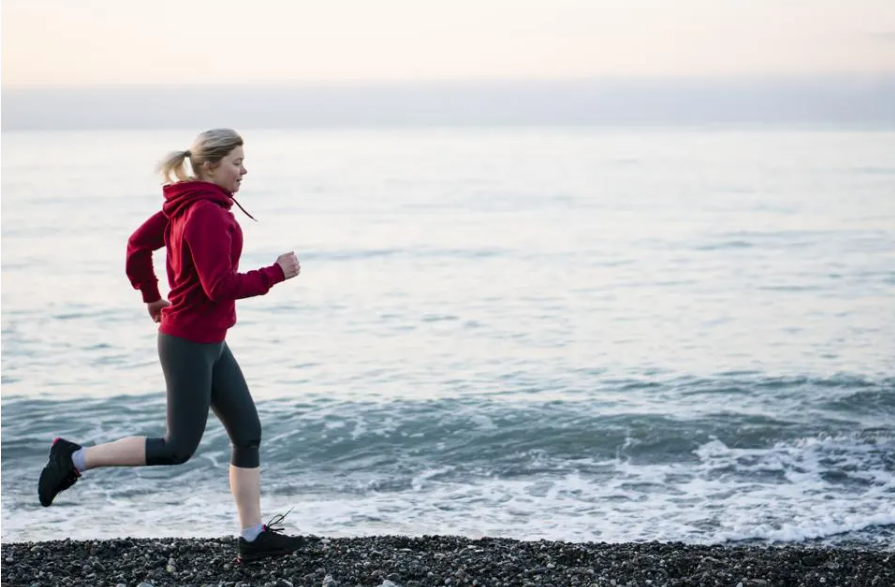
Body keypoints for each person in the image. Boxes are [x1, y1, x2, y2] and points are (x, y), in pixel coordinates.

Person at [38, 128, 305, 563]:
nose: (244, 170)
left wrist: (150, 295)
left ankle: (253, 537)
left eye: (243, 161)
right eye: (236, 162)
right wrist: (275, 272)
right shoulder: (205, 213)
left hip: (209, 340)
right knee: (177, 447)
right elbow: (219, 286)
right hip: (187, 342)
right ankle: (73, 458)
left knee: (248, 434)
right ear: (209, 167)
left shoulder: (190, 205)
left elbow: (136, 246)